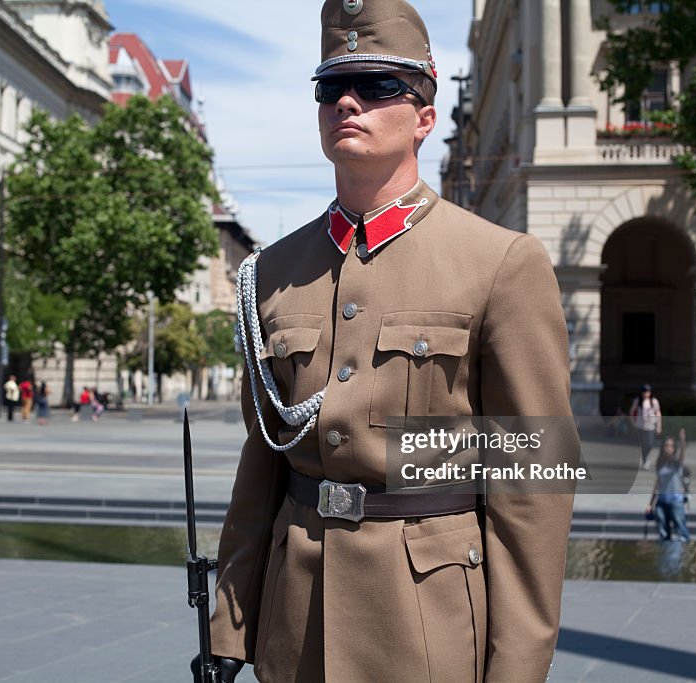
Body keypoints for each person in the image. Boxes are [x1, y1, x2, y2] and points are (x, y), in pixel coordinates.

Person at [199, 3, 579, 681]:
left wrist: (516, 667)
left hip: (427, 626)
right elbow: (263, 463)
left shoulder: (498, 263)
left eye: (377, 86)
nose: (348, 101)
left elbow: (531, 484)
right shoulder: (273, 273)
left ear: (424, 118)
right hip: (298, 625)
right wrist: (230, 629)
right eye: (331, 88)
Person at [645, 428, 690, 542]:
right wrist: (650, 503)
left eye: (671, 446)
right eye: (666, 445)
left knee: (681, 531)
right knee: (663, 532)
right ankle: (665, 554)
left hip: (675, 501)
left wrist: (682, 442)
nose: (669, 448)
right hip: (662, 500)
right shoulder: (660, 464)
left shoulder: (676, 463)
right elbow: (658, 483)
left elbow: (682, 456)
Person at [629, 383, 662, 469]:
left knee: (650, 444)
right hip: (640, 426)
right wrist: (633, 423)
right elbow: (632, 412)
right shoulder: (638, 401)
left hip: (650, 426)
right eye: (644, 392)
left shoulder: (654, 401)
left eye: (647, 392)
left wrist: (659, 426)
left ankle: (644, 458)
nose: (645, 394)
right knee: (642, 444)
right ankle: (644, 460)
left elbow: (658, 414)